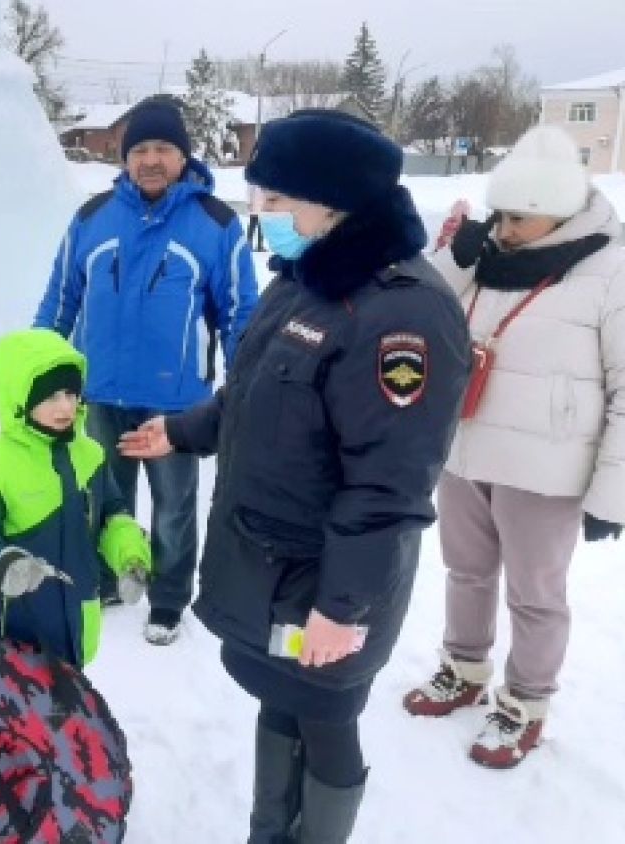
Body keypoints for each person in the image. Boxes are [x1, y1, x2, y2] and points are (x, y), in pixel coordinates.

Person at [119, 110, 469, 842]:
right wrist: (183, 430)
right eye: (259, 196)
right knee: (281, 703)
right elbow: (255, 396)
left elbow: (389, 486)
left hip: (325, 581)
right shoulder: (305, 279)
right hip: (272, 567)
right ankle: (269, 831)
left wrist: (344, 609)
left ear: (334, 202)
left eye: (277, 200)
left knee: (326, 718)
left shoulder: (401, 314)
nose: (261, 213)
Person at [403, 125, 625, 768]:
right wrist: (458, 256)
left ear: (559, 212)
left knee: (535, 593)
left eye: (521, 218)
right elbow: (422, 310)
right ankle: (464, 669)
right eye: (502, 214)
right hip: (466, 447)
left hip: (546, 468)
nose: (505, 229)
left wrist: (613, 493)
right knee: (466, 572)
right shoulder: (486, 259)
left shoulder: (610, 270)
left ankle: (524, 703)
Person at [34, 97, 259, 646]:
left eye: (163, 148)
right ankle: (110, 577)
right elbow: (60, 302)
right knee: (103, 498)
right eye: (140, 149)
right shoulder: (91, 217)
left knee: (174, 508)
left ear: (183, 156)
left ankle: (167, 598)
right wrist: (36, 372)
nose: (150, 159)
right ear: (125, 156)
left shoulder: (216, 224)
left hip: (178, 404)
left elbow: (239, 315)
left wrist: (245, 390)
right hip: (101, 394)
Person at [0, 328, 152, 669]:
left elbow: (112, 513)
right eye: (51, 397)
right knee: (20, 715)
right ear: (21, 398)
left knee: (65, 703)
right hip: (15, 628)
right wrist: (1, 563)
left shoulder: (91, 455)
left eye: (71, 393)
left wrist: (130, 556)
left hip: (77, 616)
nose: (66, 406)